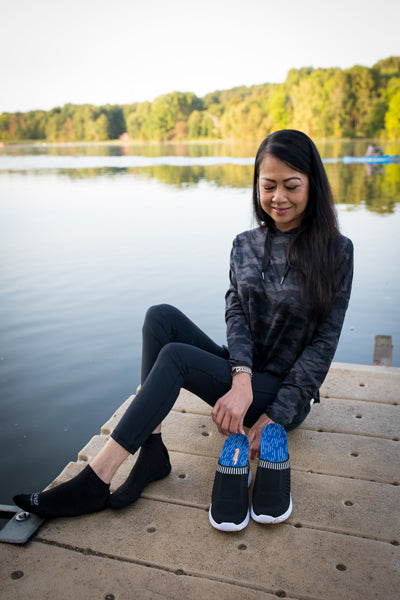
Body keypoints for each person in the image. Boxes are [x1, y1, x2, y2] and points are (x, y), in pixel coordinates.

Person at [14, 130, 353, 532]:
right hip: (242, 374)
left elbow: (323, 343)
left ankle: (96, 478)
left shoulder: (337, 251)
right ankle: (152, 451)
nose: (279, 197)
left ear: (312, 184)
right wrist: (240, 378)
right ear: (257, 186)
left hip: (280, 395)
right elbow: (237, 313)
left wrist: (277, 413)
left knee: (175, 357)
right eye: (268, 186)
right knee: (161, 318)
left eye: (291, 186)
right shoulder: (245, 244)